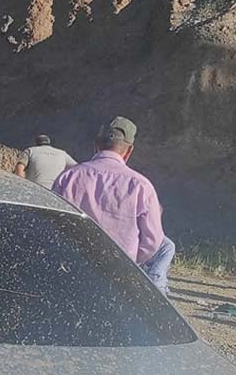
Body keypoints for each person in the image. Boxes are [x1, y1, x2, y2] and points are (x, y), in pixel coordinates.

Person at [53, 116, 174, 294]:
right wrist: (128, 260)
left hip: (73, 271)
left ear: (96, 144)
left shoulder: (69, 177)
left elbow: (53, 223)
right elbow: (152, 241)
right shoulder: (142, 186)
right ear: (129, 150)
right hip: (118, 277)